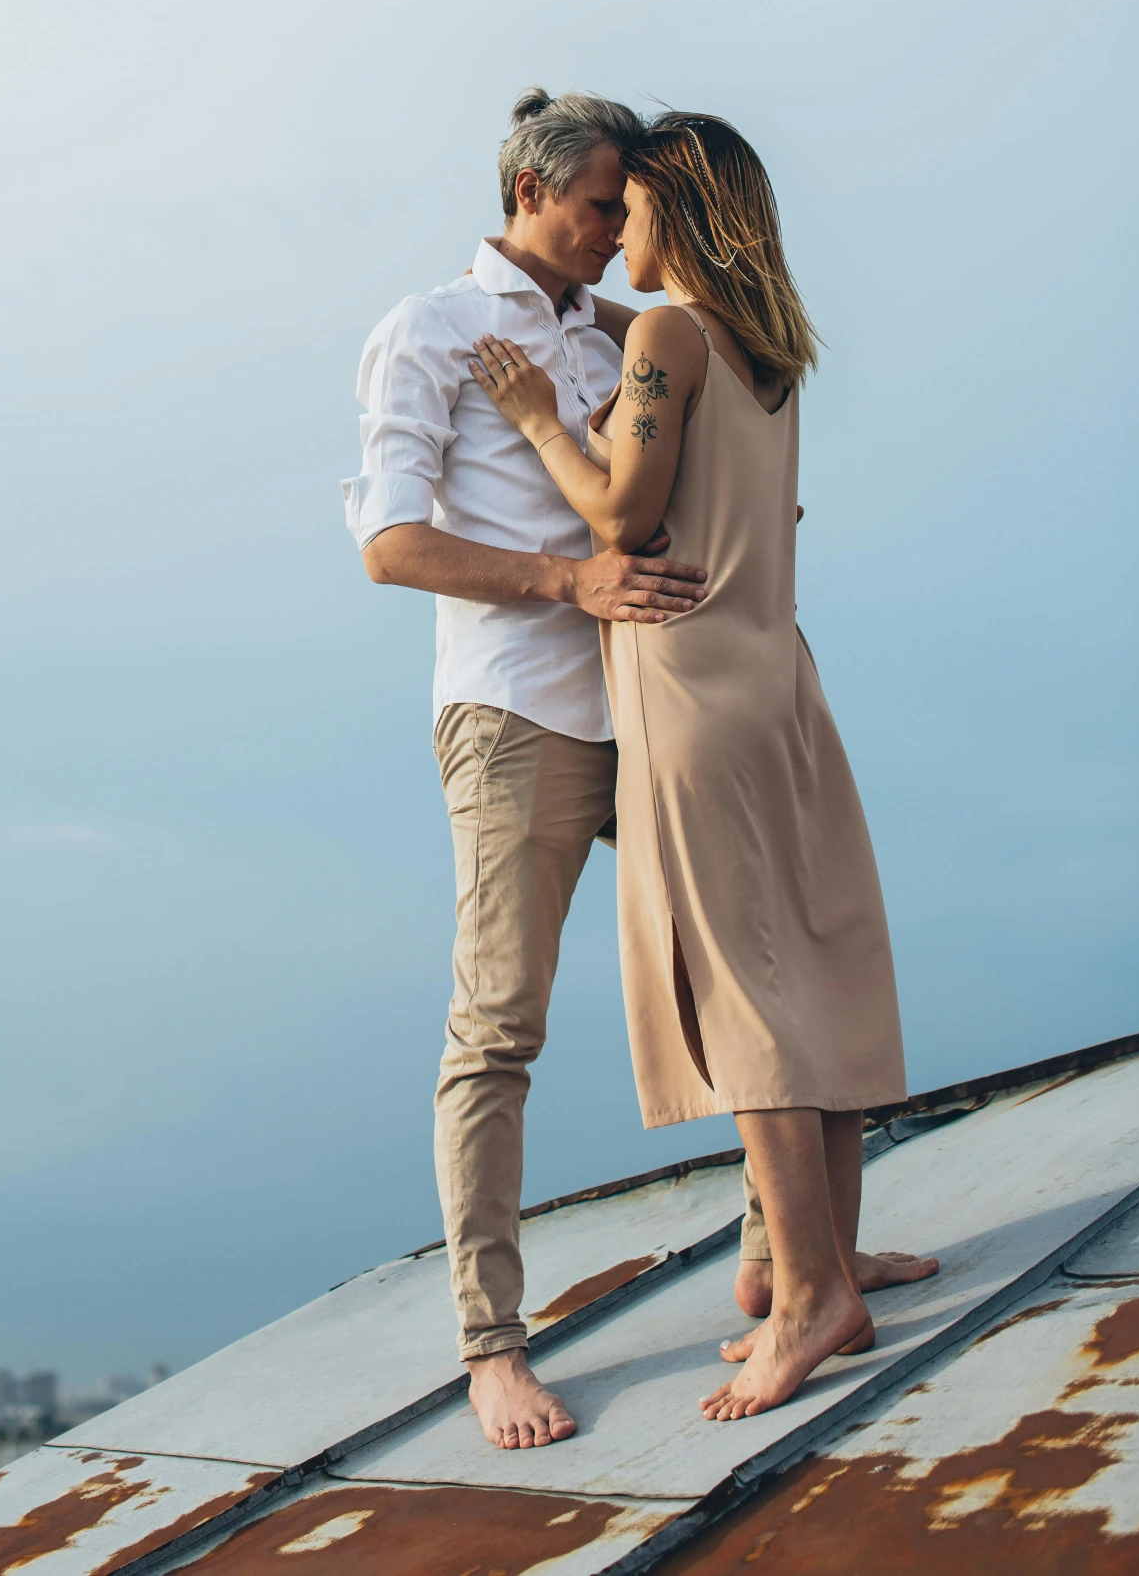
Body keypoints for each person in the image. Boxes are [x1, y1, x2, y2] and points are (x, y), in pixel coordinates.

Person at [469, 110, 924, 1420]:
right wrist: (593, 316)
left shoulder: (670, 336)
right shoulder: (767, 349)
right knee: (812, 961)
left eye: (634, 208)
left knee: (738, 992)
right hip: (780, 681)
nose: (616, 228)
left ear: (683, 211)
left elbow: (620, 509)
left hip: (686, 693)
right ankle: (818, 1256)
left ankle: (806, 1298)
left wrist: (536, 411)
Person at [343, 90, 723, 1453]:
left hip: (648, 702)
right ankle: (490, 1347)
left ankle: (799, 1258)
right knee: (498, 1024)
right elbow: (388, 542)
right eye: (597, 203)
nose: (616, 223)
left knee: (735, 937)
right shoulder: (429, 329)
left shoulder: (609, 330)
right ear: (525, 188)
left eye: (626, 206)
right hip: (514, 718)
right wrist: (568, 575)